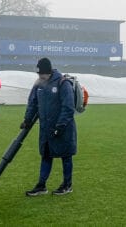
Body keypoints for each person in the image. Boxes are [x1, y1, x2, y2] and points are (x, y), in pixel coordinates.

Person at [22, 57, 77, 196]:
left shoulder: (63, 83)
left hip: (63, 129)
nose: (40, 76)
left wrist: (60, 125)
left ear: (49, 71)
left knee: (66, 156)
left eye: (42, 74)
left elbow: (68, 107)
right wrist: (27, 120)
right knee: (46, 155)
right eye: (38, 74)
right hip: (46, 129)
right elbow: (32, 103)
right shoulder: (39, 84)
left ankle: (67, 184)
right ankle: (41, 185)